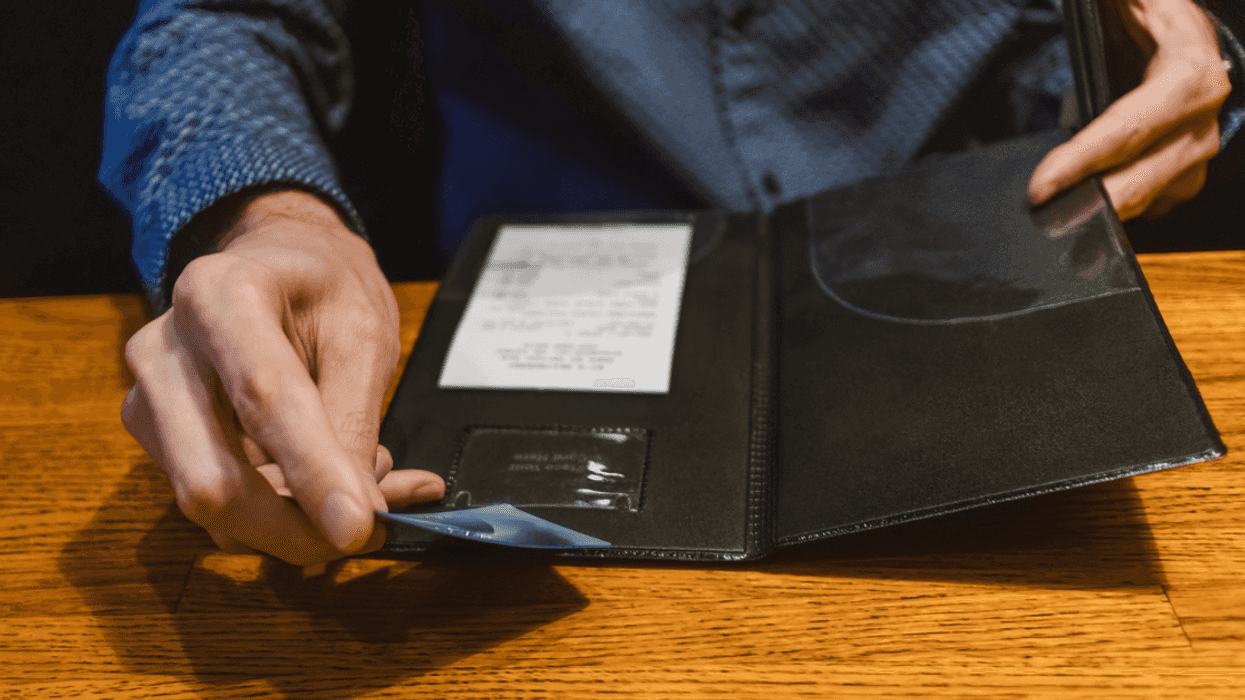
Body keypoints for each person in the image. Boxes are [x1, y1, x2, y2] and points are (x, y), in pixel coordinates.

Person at [101, 0, 1241, 566]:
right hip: (530, 344)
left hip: (998, 317)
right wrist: (263, 213)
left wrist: (1190, 60)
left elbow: (1166, 35)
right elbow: (216, 20)